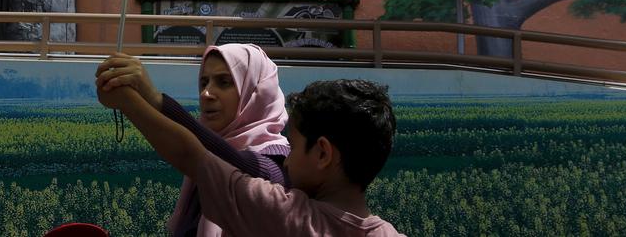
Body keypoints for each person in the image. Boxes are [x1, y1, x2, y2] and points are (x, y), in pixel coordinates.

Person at [96, 73, 405, 237]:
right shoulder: (388, 233)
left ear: (323, 153)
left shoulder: (284, 213)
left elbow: (195, 155)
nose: (287, 158)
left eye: (294, 147)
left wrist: (133, 102)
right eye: (204, 81)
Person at [96, 45, 290, 236]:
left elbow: (204, 156)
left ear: (257, 92)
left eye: (224, 82)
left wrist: (148, 100)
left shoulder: (276, 162)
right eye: (204, 83)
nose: (206, 94)